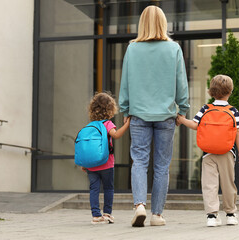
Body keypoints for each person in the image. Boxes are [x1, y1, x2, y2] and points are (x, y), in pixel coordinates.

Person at [119, 5, 190, 227]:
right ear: (163, 23)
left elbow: (125, 82)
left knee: (138, 161)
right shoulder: (174, 49)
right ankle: (157, 215)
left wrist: (125, 108)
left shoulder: (132, 49)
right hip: (166, 116)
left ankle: (139, 204)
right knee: (161, 166)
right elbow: (181, 83)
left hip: (138, 114)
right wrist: (183, 109)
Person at [176, 74, 239, 227]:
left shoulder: (206, 108)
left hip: (208, 153)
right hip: (227, 152)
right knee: (228, 183)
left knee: (209, 184)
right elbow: (237, 133)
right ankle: (230, 214)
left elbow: (195, 125)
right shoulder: (233, 110)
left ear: (211, 92)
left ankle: (211, 216)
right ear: (230, 91)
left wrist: (181, 120)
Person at [81, 92, 130, 224]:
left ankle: (96, 215)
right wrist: (127, 124)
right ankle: (107, 214)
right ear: (110, 109)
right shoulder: (107, 124)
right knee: (108, 188)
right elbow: (116, 135)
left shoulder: (90, 126)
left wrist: (84, 163)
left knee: (94, 188)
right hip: (106, 163)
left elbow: (86, 146)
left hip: (91, 165)